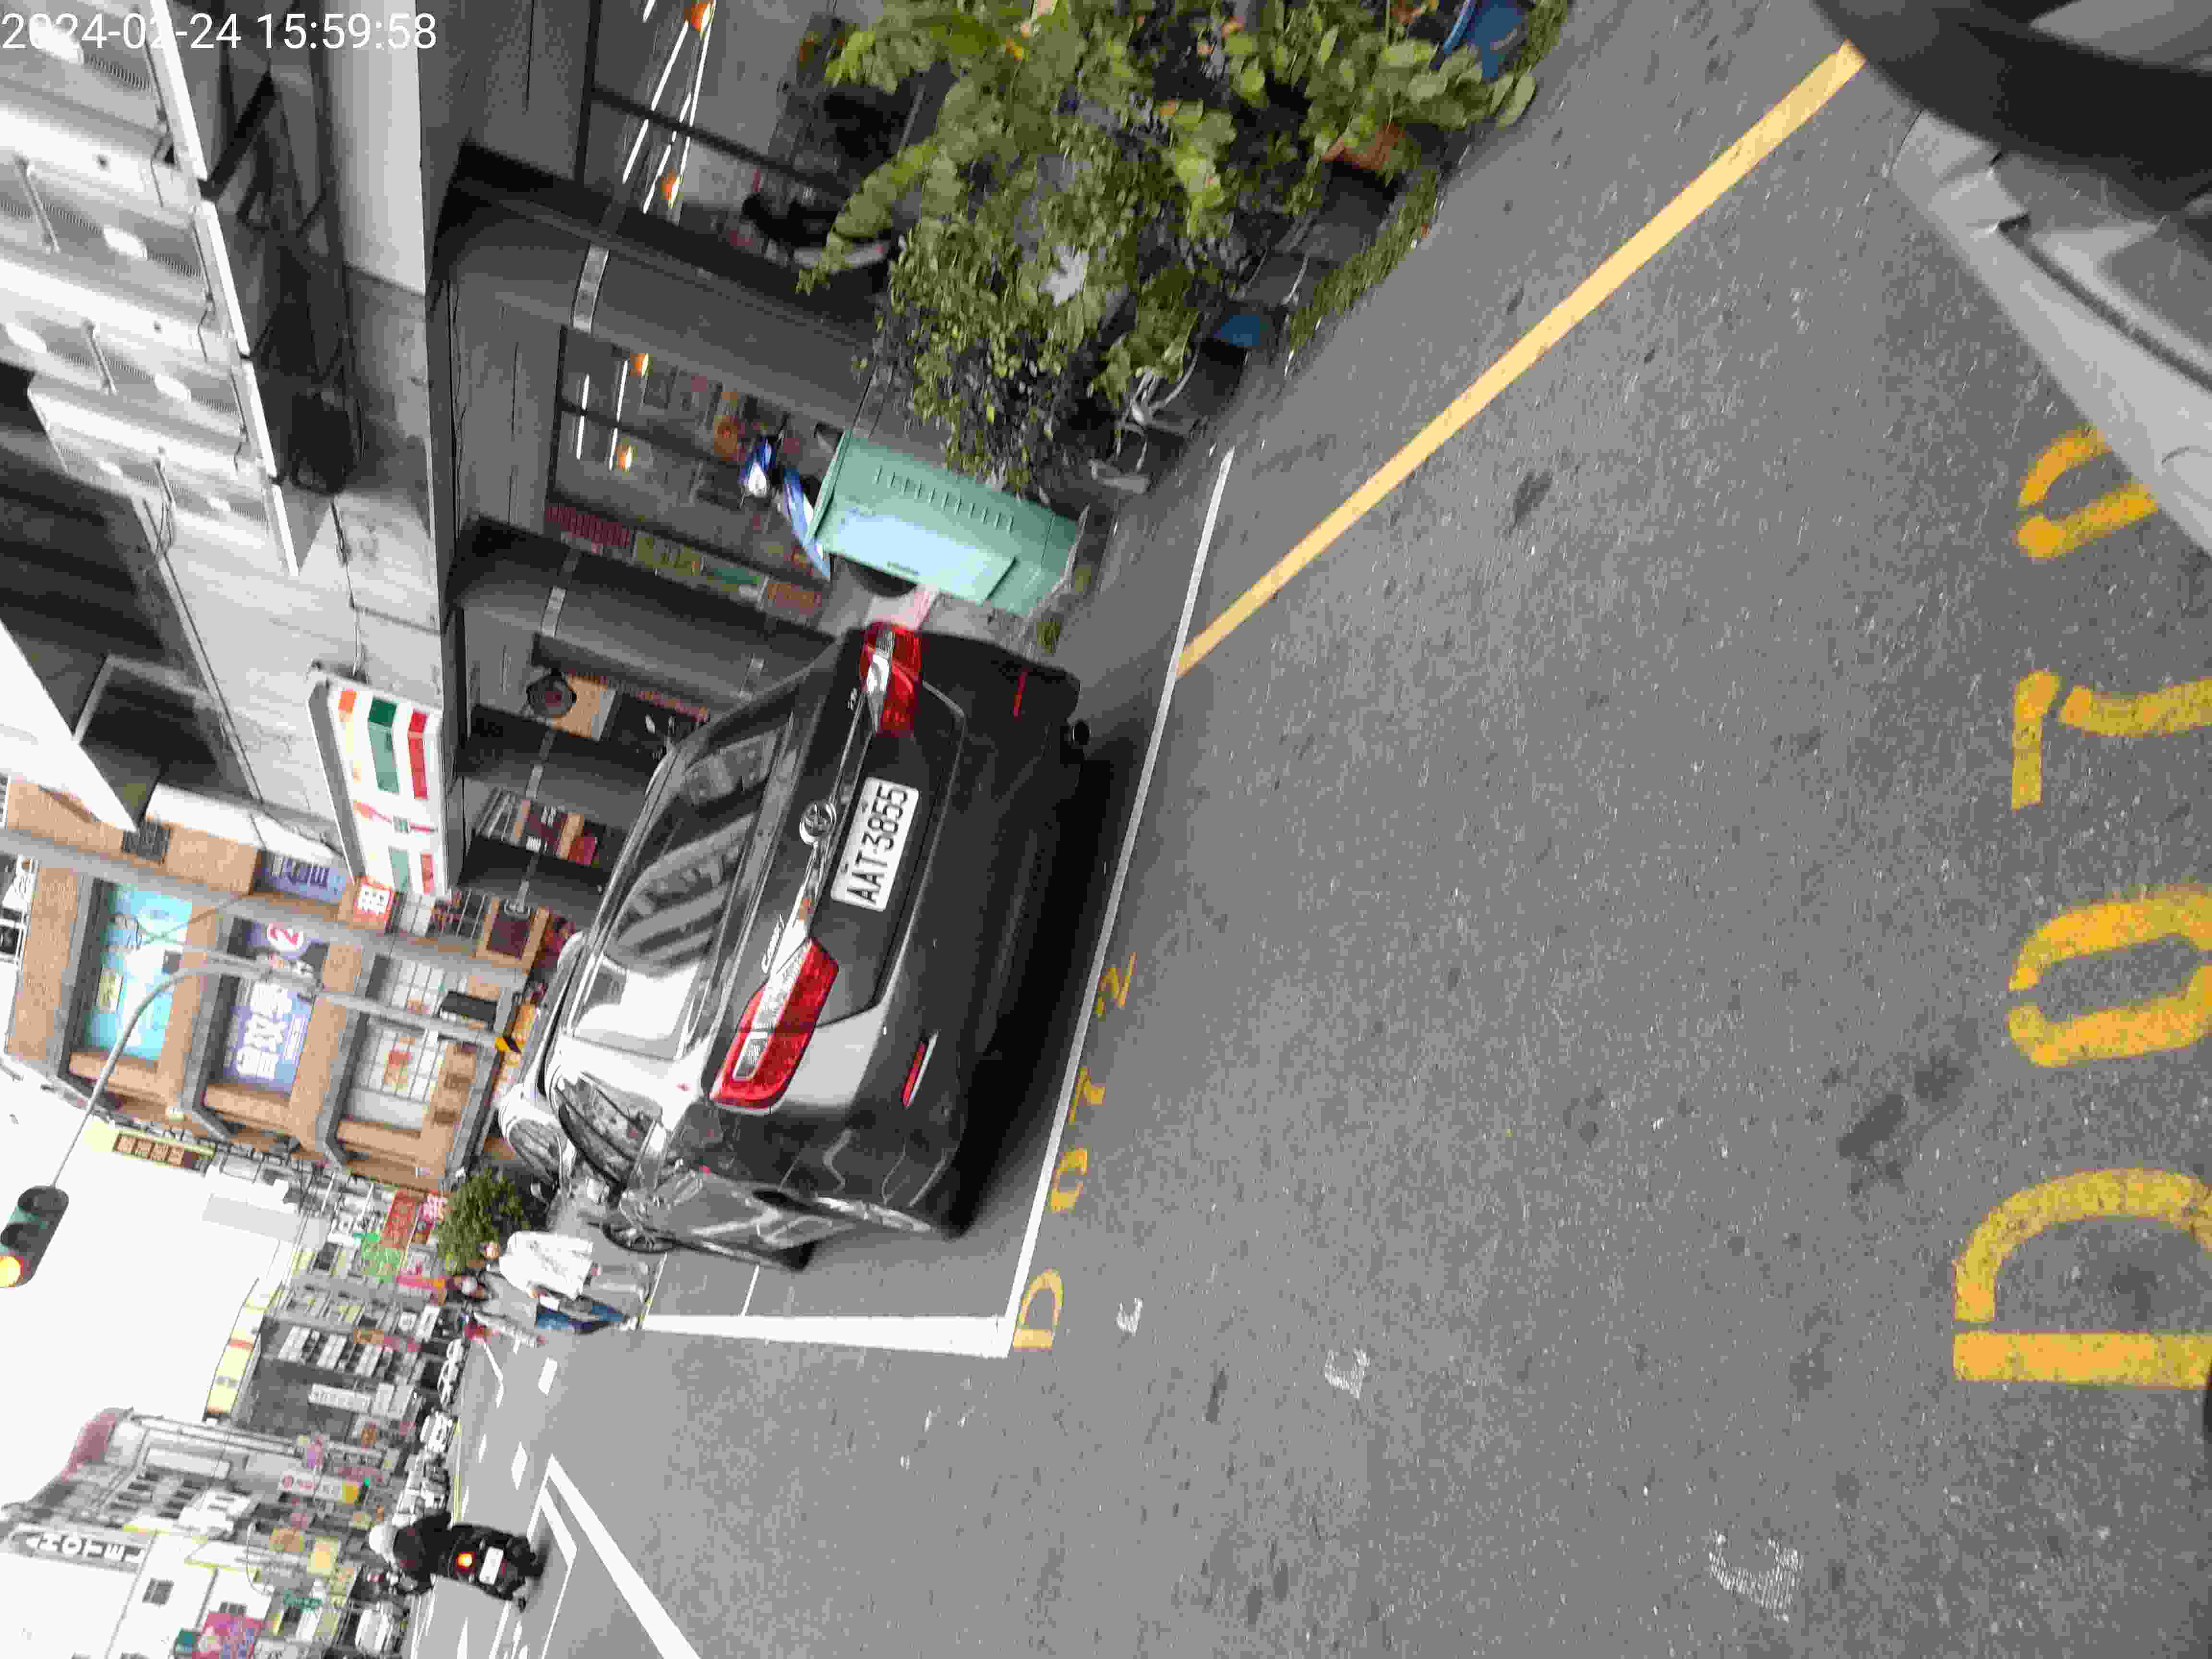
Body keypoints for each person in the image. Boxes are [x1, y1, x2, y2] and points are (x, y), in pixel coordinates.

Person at [483, 1231, 647, 1305]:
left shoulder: (516, 1239)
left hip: (564, 1259)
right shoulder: (506, 1268)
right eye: (489, 1252)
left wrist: (578, 1245)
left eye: (490, 1245)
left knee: (598, 1270)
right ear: (490, 1257)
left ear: (494, 1242)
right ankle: (636, 1289)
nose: (492, 1249)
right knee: (598, 1285)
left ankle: (633, 1269)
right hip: (556, 1278)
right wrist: (532, 1291)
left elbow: (545, 1239)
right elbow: (525, 1285)